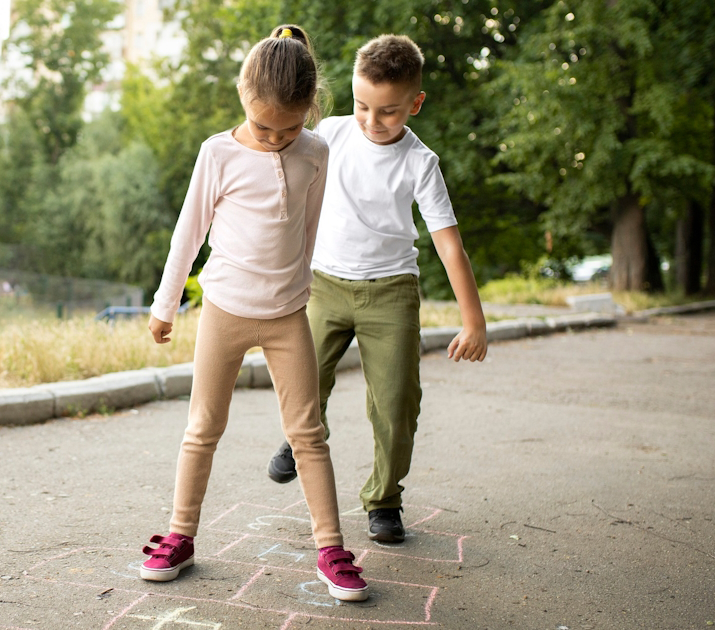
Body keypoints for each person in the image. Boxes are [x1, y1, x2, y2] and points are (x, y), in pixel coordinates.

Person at [140, 25, 367, 603]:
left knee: (308, 433)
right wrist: (166, 304)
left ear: (310, 111)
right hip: (224, 309)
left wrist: (305, 289)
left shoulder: (316, 150)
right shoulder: (217, 152)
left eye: (289, 127)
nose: (275, 138)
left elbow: (310, 228)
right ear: (243, 96)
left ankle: (331, 546)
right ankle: (180, 535)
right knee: (202, 429)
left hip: (288, 313)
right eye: (264, 126)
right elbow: (187, 234)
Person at [263, 35, 488, 544]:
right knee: (304, 381)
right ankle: (300, 439)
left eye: (388, 111)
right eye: (363, 105)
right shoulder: (331, 133)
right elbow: (277, 155)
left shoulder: (420, 162)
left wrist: (473, 320)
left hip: (391, 292)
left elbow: (450, 247)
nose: (371, 120)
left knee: (396, 402)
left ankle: (384, 499)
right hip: (323, 284)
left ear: (416, 103)